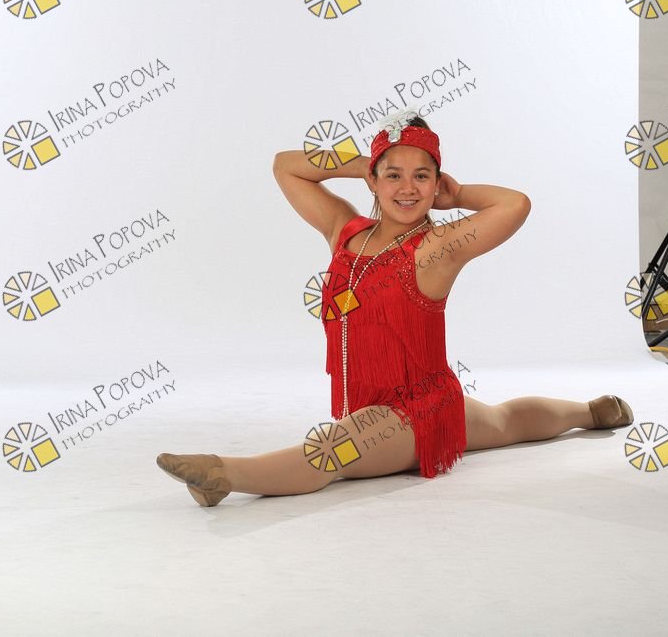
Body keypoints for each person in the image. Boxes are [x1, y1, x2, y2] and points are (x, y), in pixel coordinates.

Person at [156, 111, 633, 507]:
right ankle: (591, 413)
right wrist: (367, 162)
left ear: (436, 183)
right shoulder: (344, 231)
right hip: (379, 403)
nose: (408, 188)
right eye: (394, 175)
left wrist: (459, 195)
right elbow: (286, 165)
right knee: (505, 422)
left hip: (417, 409)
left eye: (422, 176)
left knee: (331, 451)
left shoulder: (437, 247)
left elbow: (516, 205)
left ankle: (222, 474)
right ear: (374, 180)